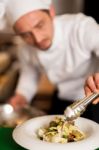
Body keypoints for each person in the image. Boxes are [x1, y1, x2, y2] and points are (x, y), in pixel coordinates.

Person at [0, 0, 99, 122]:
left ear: (51, 11)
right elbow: (29, 75)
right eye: (26, 34)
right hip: (61, 98)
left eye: (39, 25)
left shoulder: (81, 26)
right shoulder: (24, 48)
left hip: (94, 98)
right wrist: (22, 96)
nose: (38, 39)